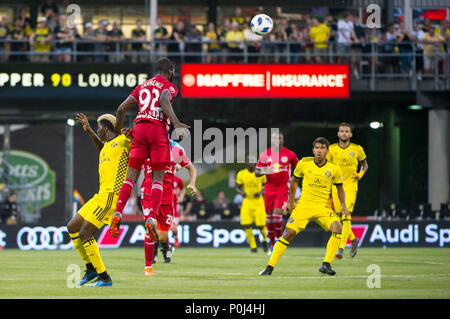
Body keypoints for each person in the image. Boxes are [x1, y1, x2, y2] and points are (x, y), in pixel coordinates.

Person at [110, 58, 190, 245]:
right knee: (158, 178)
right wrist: (176, 122)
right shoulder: (169, 86)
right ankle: (151, 219)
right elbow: (163, 100)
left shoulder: (142, 86)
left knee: (131, 177)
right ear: (170, 70)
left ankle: (117, 213)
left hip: (139, 129)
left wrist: (119, 132)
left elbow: (121, 109)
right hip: (157, 132)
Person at [259, 137, 348, 276]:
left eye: (322, 148)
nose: (319, 151)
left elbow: (340, 188)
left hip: (322, 207)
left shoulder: (334, 168)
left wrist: (343, 205)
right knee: (288, 234)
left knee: (337, 228)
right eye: (317, 148)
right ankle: (269, 267)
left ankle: (326, 264)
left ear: (327, 151)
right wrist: (291, 201)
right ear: (313, 150)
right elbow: (294, 181)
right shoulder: (304, 163)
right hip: (304, 206)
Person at [66, 113, 130, 287]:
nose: (98, 130)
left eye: (99, 127)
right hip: (100, 195)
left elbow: (137, 143)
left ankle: (104, 277)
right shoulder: (108, 146)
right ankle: (91, 268)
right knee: (72, 227)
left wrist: (132, 134)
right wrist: (88, 131)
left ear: (107, 127)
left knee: (85, 233)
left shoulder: (124, 141)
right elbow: (101, 147)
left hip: (112, 196)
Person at [140, 139, 197, 275]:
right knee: (150, 227)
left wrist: (193, 183)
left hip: (166, 198)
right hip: (148, 193)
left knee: (162, 236)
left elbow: (191, 167)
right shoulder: (146, 147)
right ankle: (148, 267)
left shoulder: (177, 150)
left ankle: (166, 247)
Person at [327, 123, 368, 259]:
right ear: (338, 134)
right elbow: (326, 166)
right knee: (339, 217)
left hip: (350, 185)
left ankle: (341, 248)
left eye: (346, 131)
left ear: (350, 134)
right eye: (342, 131)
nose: (344, 133)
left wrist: (360, 175)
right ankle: (354, 239)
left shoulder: (357, 149)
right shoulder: (331, 149)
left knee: (346, 214)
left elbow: (365, 164)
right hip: (336, 186)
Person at [255, 132, 298, 252]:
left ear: (282, 140)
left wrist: (295, 179)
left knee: (277, 214)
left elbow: (299, 167)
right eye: (274, 138)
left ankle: (278, 240)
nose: (276, 140)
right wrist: (267, 170)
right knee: (269, 218)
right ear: (271, 140)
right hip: (269, 188)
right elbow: (257, 172)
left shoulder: (289, 154)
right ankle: (272, 242)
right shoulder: (265, 154)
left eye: (279, 138)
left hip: (283, 188)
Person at [236, 157, 268, 253]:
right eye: (248, 161)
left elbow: (266, 185)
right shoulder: (241, 174)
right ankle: (253, 247)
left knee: (261, 226)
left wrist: (261, 192)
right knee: (246, 225)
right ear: (246, 162)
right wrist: (241, 192)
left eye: (252, 161)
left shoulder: (260, 173)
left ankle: (264, 240)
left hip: (258, 201)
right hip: (247, 201)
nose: (250, 163)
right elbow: (237, 187)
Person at [171, 173, 185, 247]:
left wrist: (181, 197)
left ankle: (176, 238)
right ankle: (166, 244)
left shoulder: (178, 180)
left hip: (174, 206)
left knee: (173, 227)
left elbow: (183, 189)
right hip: (164, 205)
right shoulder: (162, 178)